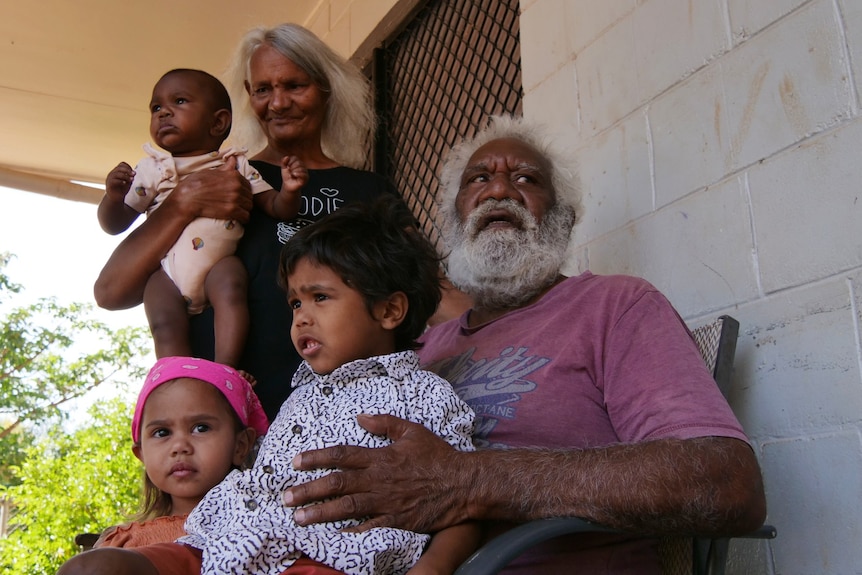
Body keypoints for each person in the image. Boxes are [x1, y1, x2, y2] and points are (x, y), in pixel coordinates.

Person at [278, 116, 769, 574]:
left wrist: (471, 481)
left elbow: (726, 482)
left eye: (526, 179)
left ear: (562, 218)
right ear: (452, 219)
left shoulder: (615, 306)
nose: (498, 189)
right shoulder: (420, 350)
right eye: (478, 179)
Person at [61, 197, 478, 575]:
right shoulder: (299, 398)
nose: (301, 316)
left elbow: (463, 499)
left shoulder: (424, 394)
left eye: (320, 297)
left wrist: (435, 567)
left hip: (327, 559)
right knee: (96, 568)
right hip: (225, 545)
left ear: (389, 310)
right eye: (296, 302)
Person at [93, 25, 401, 419]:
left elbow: (425, 289)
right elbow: (110, 291)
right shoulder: (227, 171)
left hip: (343, 412)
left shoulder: (369, 189)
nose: (278, 103)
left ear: (326, 89)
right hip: (227, 420)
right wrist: (185, 201)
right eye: (262, 90)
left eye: (294, 86)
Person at [96, 68, 305, 367]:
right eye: (156, 107)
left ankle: (225, 369)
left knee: (233, 291)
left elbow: (276, 206)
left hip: (217, 268)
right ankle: (177, 380)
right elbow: (115, 224)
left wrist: (291, 190)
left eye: (179, 101)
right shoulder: (152, 169)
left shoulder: (235, 164)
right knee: (164, 325)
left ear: (218, 122)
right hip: (166, 273)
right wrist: (114, 198)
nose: (163, 113)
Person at [89, 356, 268, 550]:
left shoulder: (266, 526)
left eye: (201, 428)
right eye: (162, 432)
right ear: (141, 454)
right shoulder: (122, 546)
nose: (180, 446)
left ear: (240, 445)